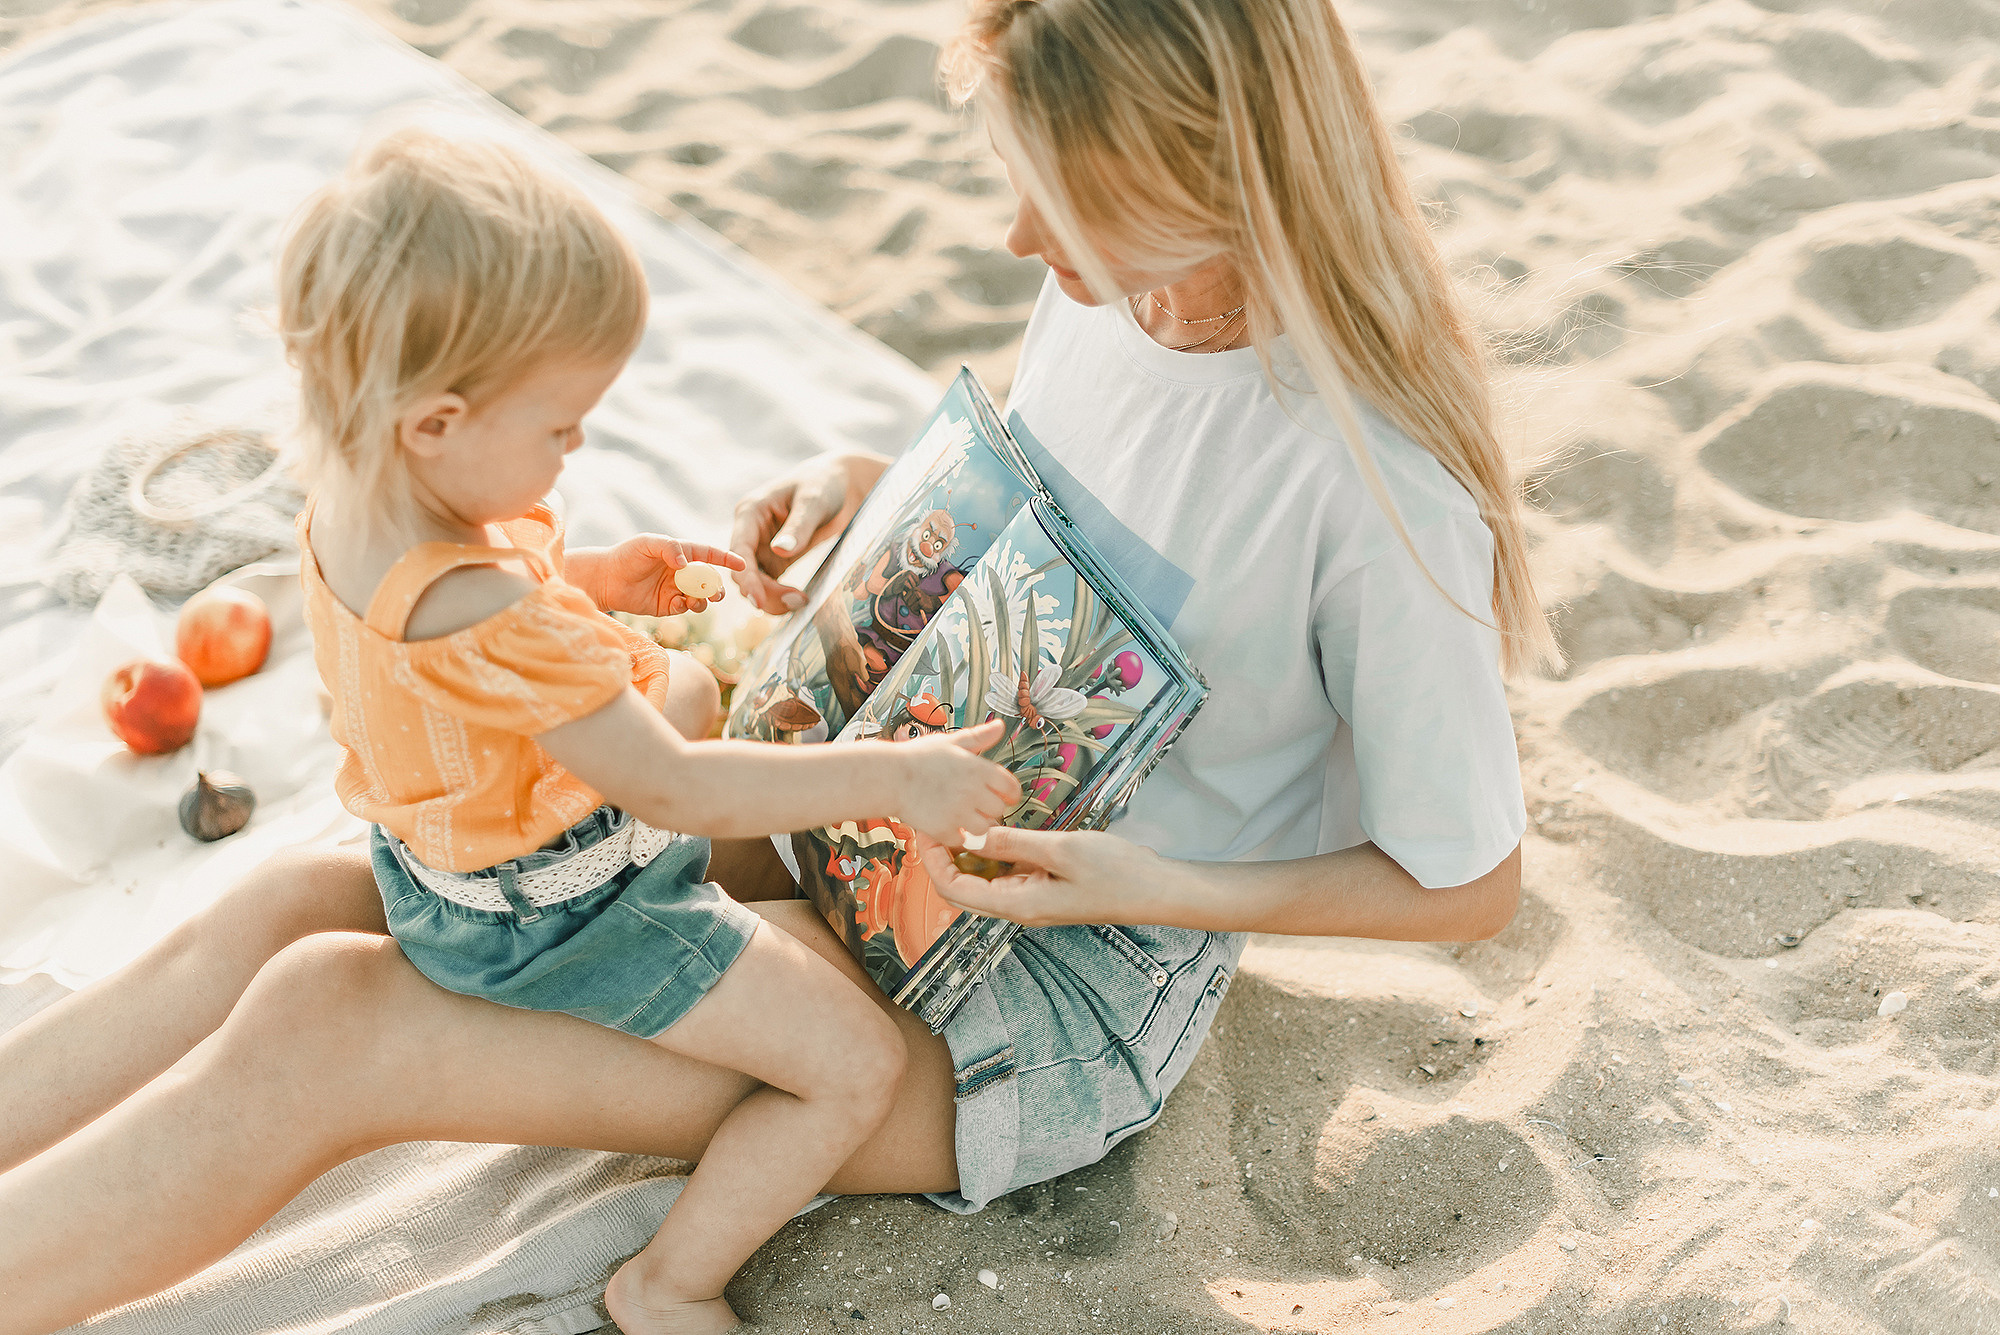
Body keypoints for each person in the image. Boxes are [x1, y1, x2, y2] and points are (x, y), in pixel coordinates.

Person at [0, 0, 1547, 1329]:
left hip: (1049, 970)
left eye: (1058, 204)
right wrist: (881, 490)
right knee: (293, 904)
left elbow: (1466, 884)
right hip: (888, 784)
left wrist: (1151, 884)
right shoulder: (1135, 284)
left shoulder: (1375, 490)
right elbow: (1082, 534)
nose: (1021, 239)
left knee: (330, 1022)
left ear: (1210, 175)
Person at [264, 128, 1019, 1335]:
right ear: (435, 422)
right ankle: (668, 1283)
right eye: (559, 428)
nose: (577, 450)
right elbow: (676, 790)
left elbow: (463, 654)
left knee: (686, 701)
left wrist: (596, 582)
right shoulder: (478, 600)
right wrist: (898, 775)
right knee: (857, 1067)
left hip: (436, 875)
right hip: (558, 914)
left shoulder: (363, 507)